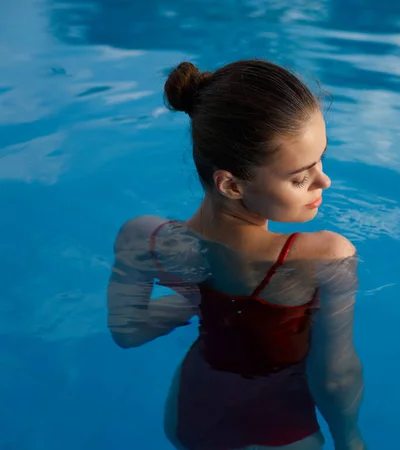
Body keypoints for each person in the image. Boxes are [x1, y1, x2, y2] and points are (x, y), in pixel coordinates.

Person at [106, 59, 365, 450]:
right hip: (280, 433)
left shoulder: (143, 237)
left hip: (190, 413)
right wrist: (350, 438)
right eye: (300, 177)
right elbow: (335, 377)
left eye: (321, 160)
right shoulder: (324, 258)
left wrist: (198, 303)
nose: (324, 181)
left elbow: (128, 332)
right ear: (230, 184)